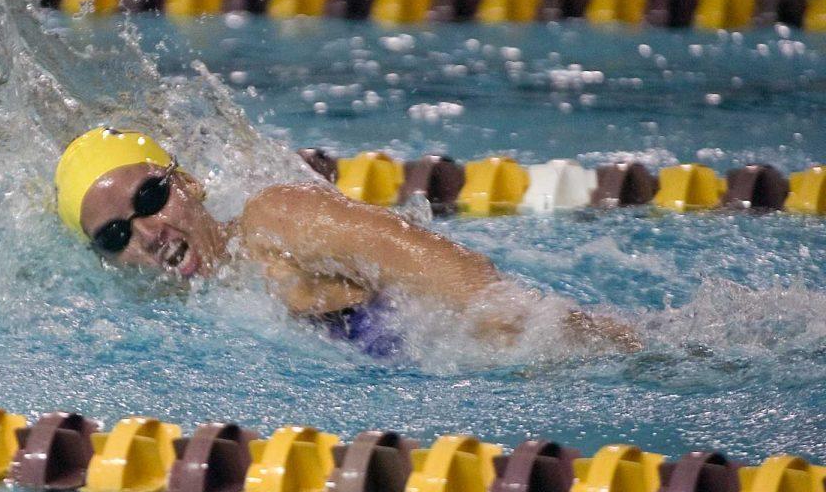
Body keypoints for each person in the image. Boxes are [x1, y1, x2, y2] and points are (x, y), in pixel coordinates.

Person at [55, 127, 638, 354]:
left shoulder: (277, 222)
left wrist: (549, 343)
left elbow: (459, 278)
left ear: (189, 183)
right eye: (114, 235)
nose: (148, 234)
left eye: (152, 199)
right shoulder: (181, 313)